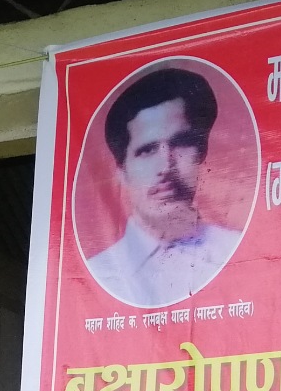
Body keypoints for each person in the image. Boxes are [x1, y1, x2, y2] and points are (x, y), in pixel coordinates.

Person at [85, 66, 243, 308]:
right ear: (121, 170)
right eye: (147, 150)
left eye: (181, 143)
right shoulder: (93, 278)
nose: (165, 166)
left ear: (202, 152)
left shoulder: (240, 254)